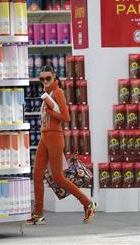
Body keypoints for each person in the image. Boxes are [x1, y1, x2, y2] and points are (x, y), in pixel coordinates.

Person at [27, 65, 97, 225]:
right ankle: (38, 214)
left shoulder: (58, 93)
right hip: (45, 136)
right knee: (37, 174)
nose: (44, 81)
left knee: (58, 177)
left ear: (54, 77)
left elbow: (65, 117)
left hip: (54, 137)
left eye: (48, 78)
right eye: (42, 79)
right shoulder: (48, 94)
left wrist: (51, 112)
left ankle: (88, 204)